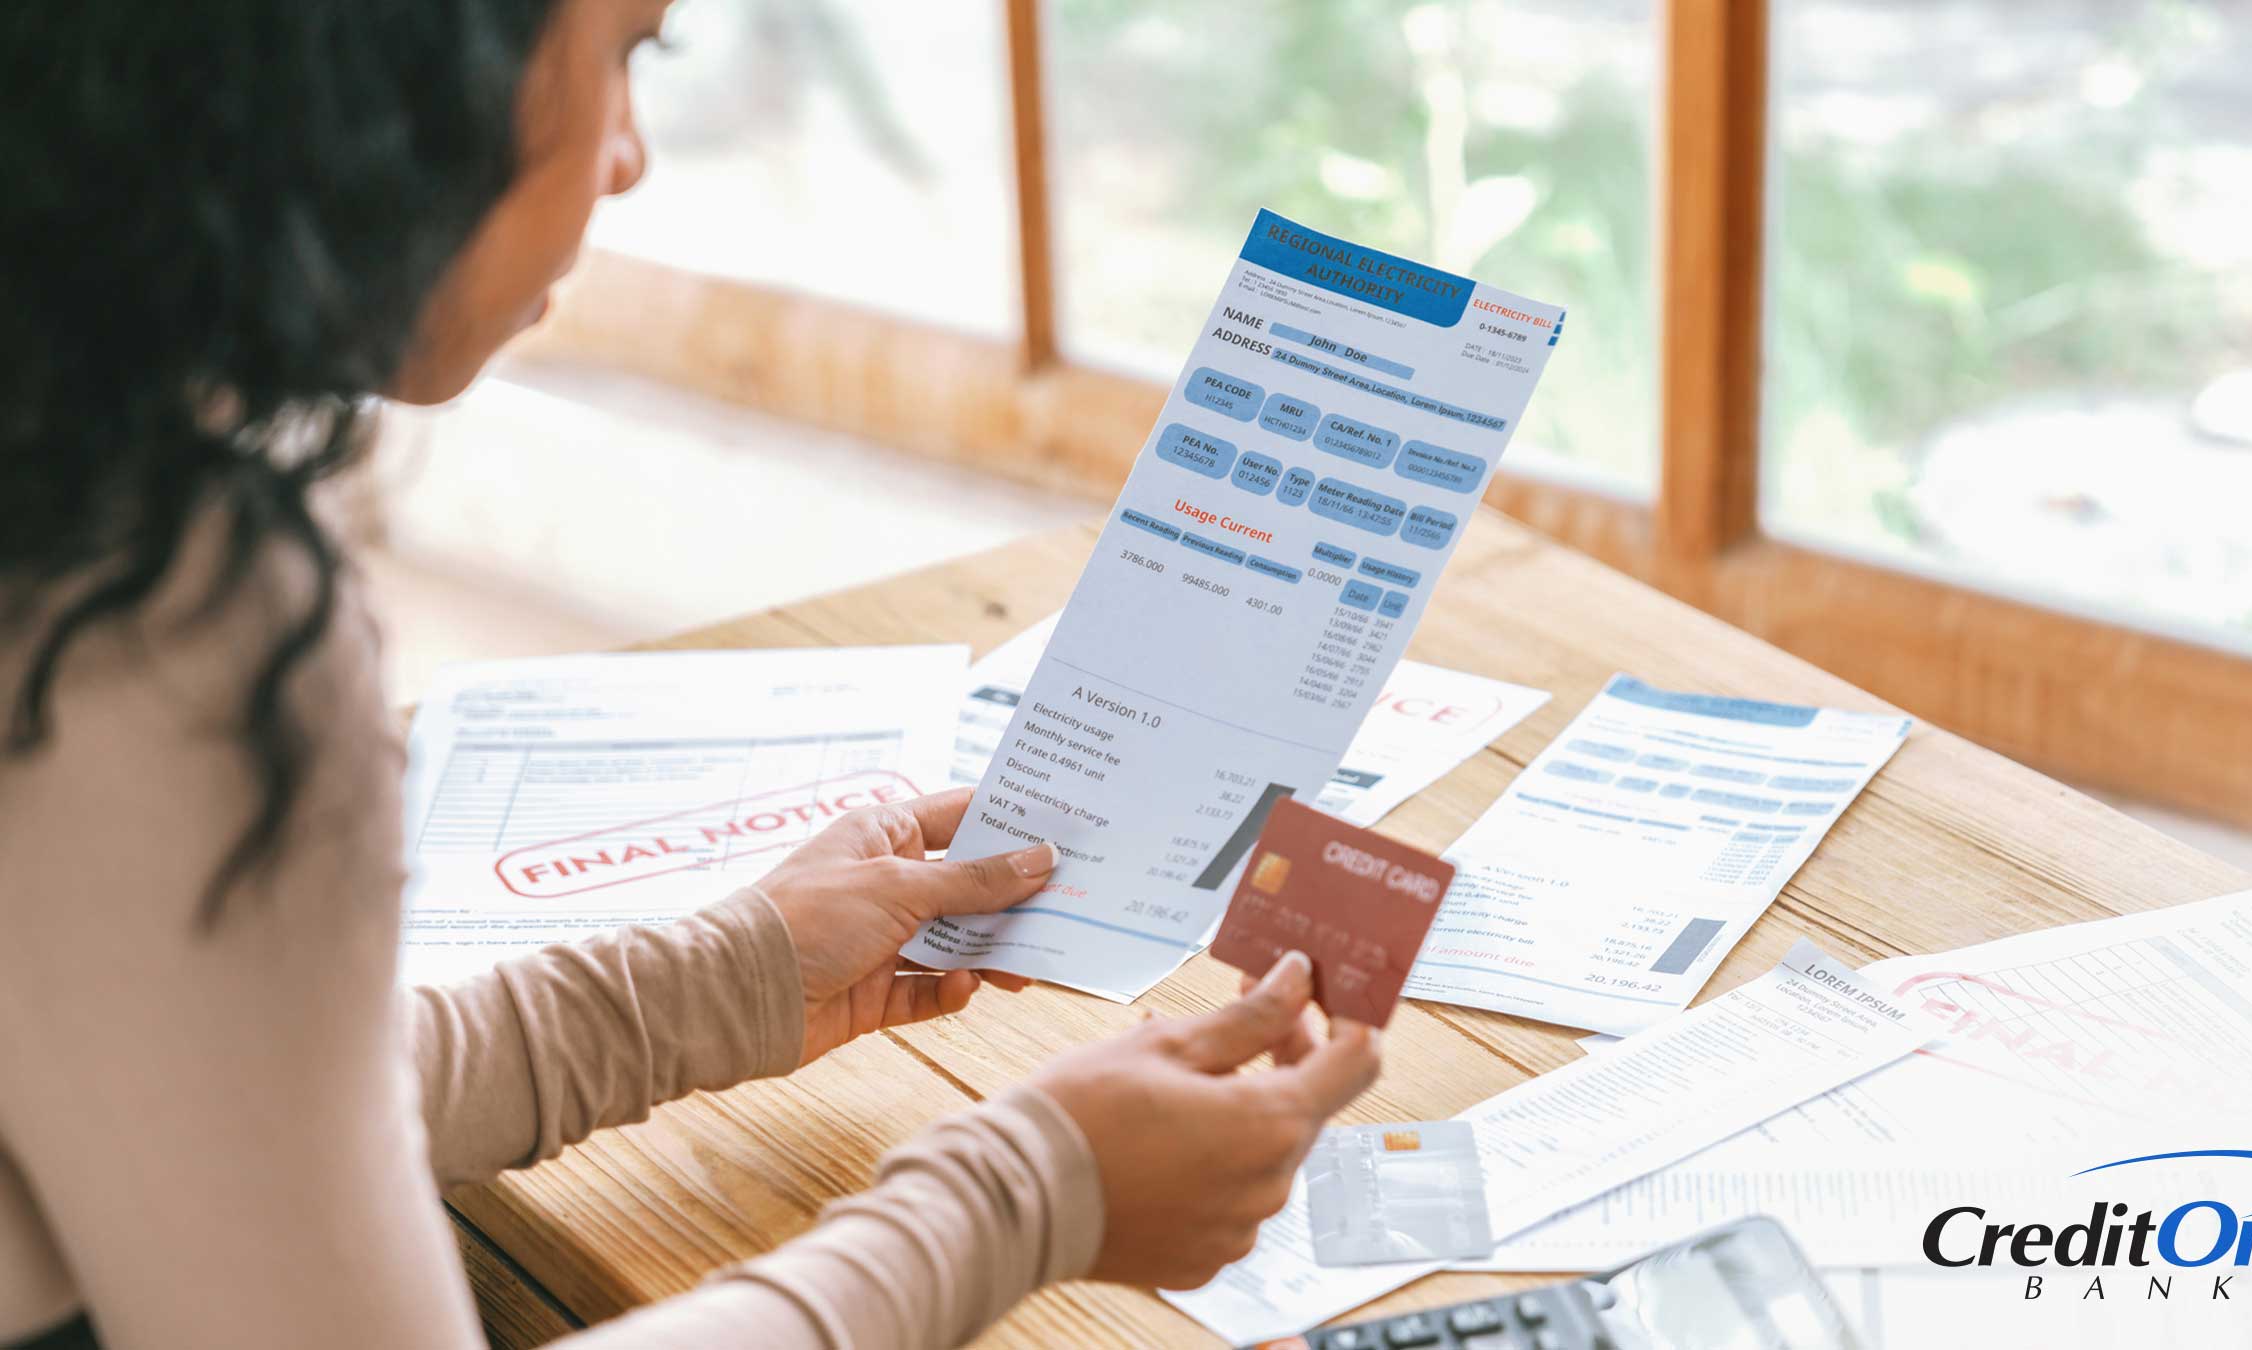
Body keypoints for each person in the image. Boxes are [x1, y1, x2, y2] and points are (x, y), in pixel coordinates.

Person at [0, 2, 1382, 1346]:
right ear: (395, 70)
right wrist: (1026, 1193)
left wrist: (732, 976)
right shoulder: (159, 623)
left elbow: (222, 1105)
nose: (629, 154)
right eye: (622, 51)